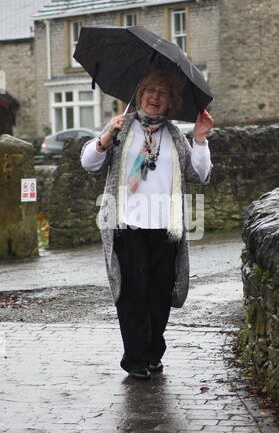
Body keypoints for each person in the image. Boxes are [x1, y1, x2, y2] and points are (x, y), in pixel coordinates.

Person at [81, 70, 214, 380]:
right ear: (139, 95)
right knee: (132, 293)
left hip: (166, 227)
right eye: (149, 90)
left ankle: (154, 353)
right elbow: (90, 164)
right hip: (127, 225)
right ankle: (136, 359)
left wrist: (200, 139)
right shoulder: (121, 129)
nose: (155, 97)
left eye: (163, 93)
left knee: (159, 294)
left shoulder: (174, 136)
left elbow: (200, 174)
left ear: (170, 103)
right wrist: (105, 136)